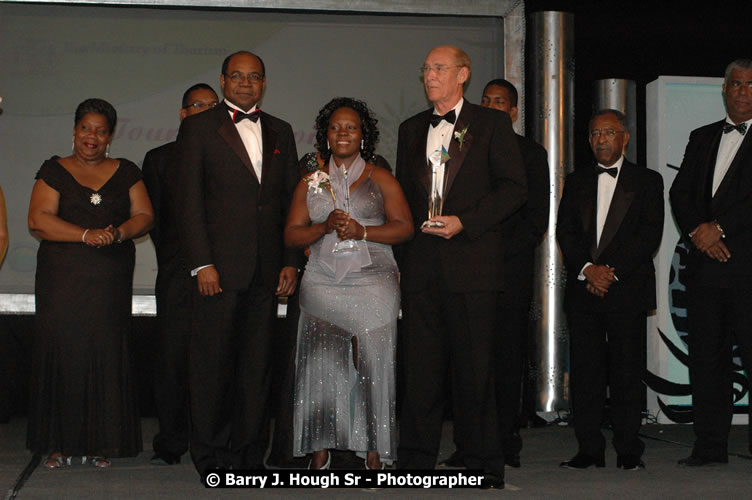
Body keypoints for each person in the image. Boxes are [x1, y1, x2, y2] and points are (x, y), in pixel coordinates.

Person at [395, 45, 527, 489]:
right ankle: (414, 462)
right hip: (422, 269)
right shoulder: (410, 128)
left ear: (463, 74)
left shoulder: (490, 124)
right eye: (426, 68)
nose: (430, 75)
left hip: (472, 266)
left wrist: (464, 222)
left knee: (476, 370)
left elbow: (514, 189)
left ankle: (485, 463)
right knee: (420, 371)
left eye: (439, 68)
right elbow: (403, 202)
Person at [170, 50, 299, 478]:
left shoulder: (280, 130)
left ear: (264, 83)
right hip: (217, 272)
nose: (246, 84)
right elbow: (187, 202)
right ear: (224, 81)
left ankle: (248, 456)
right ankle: (208, 454)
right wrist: (201, 264)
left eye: (255, 77)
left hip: (266, 272)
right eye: (238, 77)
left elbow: (287, 204)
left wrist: (289, 262)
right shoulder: (199, 128)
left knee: (256, 369)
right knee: (211, 366)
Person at [285, 97, 413, 470]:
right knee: (320, 361)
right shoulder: (311, 182)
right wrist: (321, 228)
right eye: (336, 127)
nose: (343, 133)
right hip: (324, 281)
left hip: (374, 280)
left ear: (364, 135)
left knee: (375, 360)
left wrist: (364, 230)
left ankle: (375, 447)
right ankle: (320, 445)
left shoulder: (381, 177)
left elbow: (405, 228)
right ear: (326, 135)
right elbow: (291, 235)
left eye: (351, 127)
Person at [27, 98, 154, 468]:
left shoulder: (126, 170)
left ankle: (105, 442)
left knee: (105, 352)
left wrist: (117, 234)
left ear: (110, 136)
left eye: (100, 130)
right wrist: (85, 234)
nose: (92, 137)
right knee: (64, 351)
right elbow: (39, 220)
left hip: (109, 280)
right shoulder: (53, 170)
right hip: (62, 280)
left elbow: (145, 216)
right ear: (74, 131)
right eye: (86, 128)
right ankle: (58, 444)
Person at [444, 79, 550, 469]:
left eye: (499, 102)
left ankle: (505, 442)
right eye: (485, 101)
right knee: (466, 361)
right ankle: (467, 444)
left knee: (504, 360)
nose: (490, 107)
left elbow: (535, 220)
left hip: (507, 273)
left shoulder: (531, 154)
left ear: (514, 112)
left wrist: (492, 253)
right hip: (464, 270)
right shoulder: (461, 148)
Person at [557, 109, 663, 471]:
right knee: (586, 374)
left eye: (608, 132)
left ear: (625, 138)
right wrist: (589, 271)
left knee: (626, 373)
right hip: (584, 291)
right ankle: (589, 449)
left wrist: (608, 274)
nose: (601, 139)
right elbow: (565, 233)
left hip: (626, 290)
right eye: (595, 133)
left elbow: (649, 235)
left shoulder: (648, 181)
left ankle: (628, 448)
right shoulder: (576, 180)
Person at [669, 59, 752, 467]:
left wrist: (718, 227)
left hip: (748, 269)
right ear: (724, 89)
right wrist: (700, 234)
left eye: (751, 85)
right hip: (705, 270)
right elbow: (680, 192)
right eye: (735, 84)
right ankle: (709, 446)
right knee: (706, 361)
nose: (742, 91)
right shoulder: (701, 137)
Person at [142, 83, 219, 466]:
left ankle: (213, 439)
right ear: (183, 113)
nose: (204, 111)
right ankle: (171, 440)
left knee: (216, 359)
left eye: (212, 106)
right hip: (176, 270)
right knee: (172, 357)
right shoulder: (159, 158)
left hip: (222, 271)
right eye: (197, 105)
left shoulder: (229, 154)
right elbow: (153, 218)